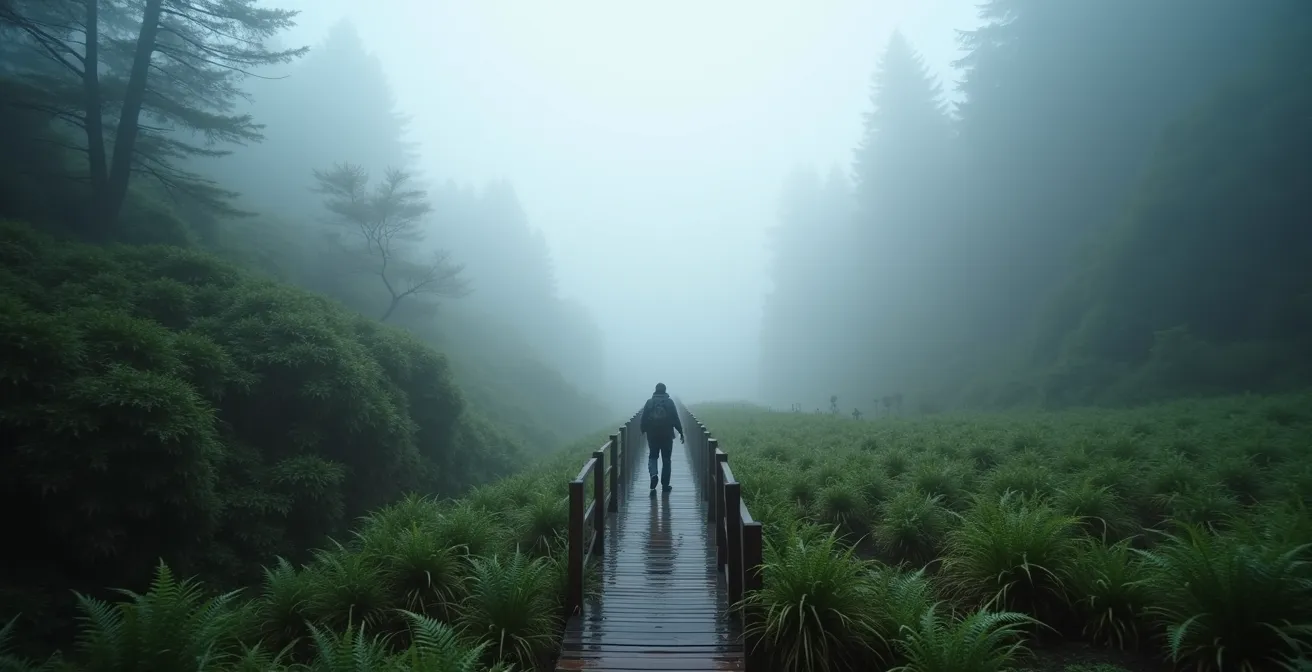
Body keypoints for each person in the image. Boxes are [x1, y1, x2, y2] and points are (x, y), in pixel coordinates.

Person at [640, 382, 684, 492]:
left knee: (653, 456)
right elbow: (675, 418)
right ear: (665, 390)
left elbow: (643, 418)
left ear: (655, 390)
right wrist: (681, 432)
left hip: (653, 435)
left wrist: (643, 430)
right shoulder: (669, 402)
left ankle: (653, 474)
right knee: (666, 459)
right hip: (667, 435)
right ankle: (665, 485)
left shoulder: (649, 402)